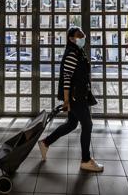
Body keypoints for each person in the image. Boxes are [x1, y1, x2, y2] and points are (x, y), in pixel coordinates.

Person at [38, 26, 104, 172]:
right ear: (71, 39)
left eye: (83, 34)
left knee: (71, 124)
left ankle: (45, 142)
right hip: (76, 97)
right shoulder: (71, 55)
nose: (83, 37)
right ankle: (85, 160)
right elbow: (67, 79)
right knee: (87, 125)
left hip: (80, 94)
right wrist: (67, 100)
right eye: (79, 35)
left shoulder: (78, 52)